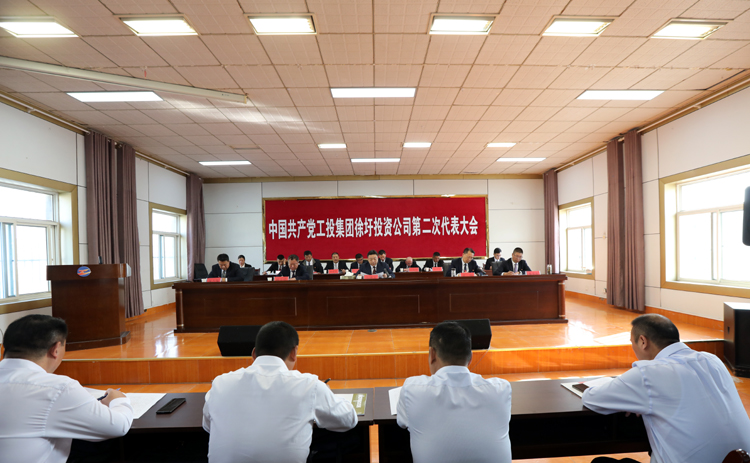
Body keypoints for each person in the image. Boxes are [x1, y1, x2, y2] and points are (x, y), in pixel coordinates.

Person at [582, 314, 750, 463]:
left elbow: (592, 398)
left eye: (632, 342)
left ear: (643, 341)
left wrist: (631, 398)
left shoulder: (647, 373)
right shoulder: (712, 360)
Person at [203, 321, 357, 463]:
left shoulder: (220, 384)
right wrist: (327, 395)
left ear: (254, 353)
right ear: (294, 352)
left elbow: (208, 425)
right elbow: (348, 419)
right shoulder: (309, 386)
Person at [0, 315, 133, 463]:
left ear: (4, 348)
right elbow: (118, 426)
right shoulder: (57, 388)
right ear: (56, 349)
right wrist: (119, 400)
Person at [397, 321, 512, 463]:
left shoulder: (412, 389)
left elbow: (402, 423)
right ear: (470, 358)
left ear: (432, 354)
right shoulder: (501, 390)